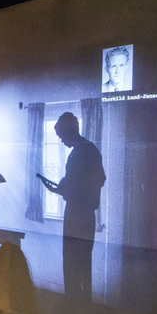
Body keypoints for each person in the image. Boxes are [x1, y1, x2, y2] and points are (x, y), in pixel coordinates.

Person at [41, 112, 105, 300]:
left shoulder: (86, 151)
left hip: (80, 214)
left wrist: (68, 187)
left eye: (62, 136)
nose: (61, 141)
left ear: (70, 131)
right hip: (77, 212)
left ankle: (78, 302)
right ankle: (77, 301)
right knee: (76, 261)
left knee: (76, 261)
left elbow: (99, 179)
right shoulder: (83, 150)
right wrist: (65, 186)